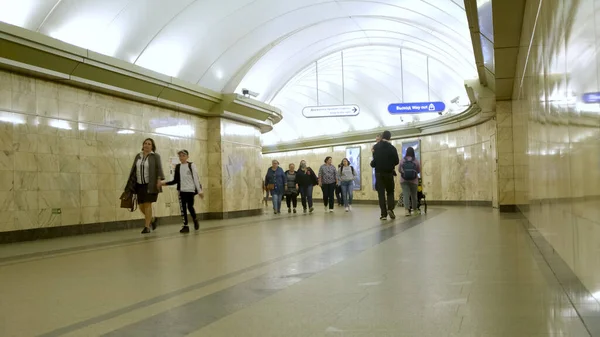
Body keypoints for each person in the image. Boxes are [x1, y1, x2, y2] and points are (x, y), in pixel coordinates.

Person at [125, 138, 165, 234]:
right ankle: (153, 220)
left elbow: (159, 168)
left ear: (152, 146)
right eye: (145, 143)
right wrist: (130, 184)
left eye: (149, 144)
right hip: (139, 185)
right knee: (141, 206)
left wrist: (159, 180)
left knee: (147, 204)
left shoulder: (155, 156)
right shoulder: (138, 156)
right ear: (143, 145)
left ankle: (147, 227)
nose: (147, 145)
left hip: (150, 184)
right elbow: (133, 169)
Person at [161, 150, 204, 233]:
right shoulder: (178, 167)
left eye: (183, 155)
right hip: (181, 190)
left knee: (190, 207)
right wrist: (164, 183)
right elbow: (176, 180)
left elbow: (196, 178)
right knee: (183, 208)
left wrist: (199, 191)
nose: (181, 157)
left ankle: (195, 219)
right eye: (180, 156)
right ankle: (185, 225)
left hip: (190, 190)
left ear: (187, 156)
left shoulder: (191, 165)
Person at [370, 131, 399, 220]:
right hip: (389, 173)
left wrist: (373, 163)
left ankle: (383, 214)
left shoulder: (375, 147)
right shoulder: (392, 148)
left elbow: (374, 162)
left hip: (379, 174)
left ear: (382, 137)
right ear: (390, 138)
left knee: (381, 194)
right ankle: (390, 208)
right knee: (390, 191)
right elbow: (397, 161)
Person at [399, 146, 421, 216]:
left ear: (406, 152)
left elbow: (399, 169)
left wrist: (404, 173)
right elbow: (418, 170)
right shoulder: (415, 160)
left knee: (406, 195)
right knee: (414, 195)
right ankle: (415, 210)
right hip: (414, 181)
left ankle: (406, 211)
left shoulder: (403, 160)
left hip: (404, 180)